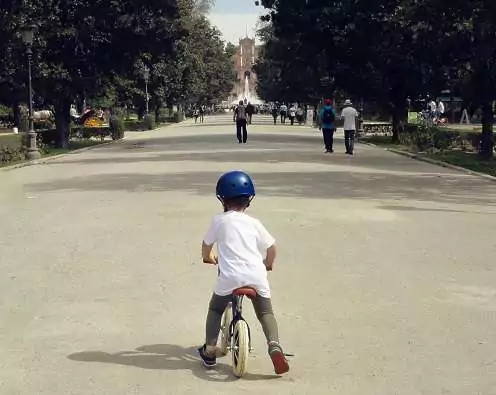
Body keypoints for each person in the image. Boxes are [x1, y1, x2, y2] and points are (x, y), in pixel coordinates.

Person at [197, 171, 290, 375]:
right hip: (256, 275)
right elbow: (272, 247)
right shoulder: (254, 223)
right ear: (249, 199)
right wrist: (268, 264)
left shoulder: (219, 221)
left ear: (221, 198)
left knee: (215, 310)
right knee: (266, 313)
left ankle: (210, 350)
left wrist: (208, 257)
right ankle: (274, 346)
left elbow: (206, 244)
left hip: (229, 277)